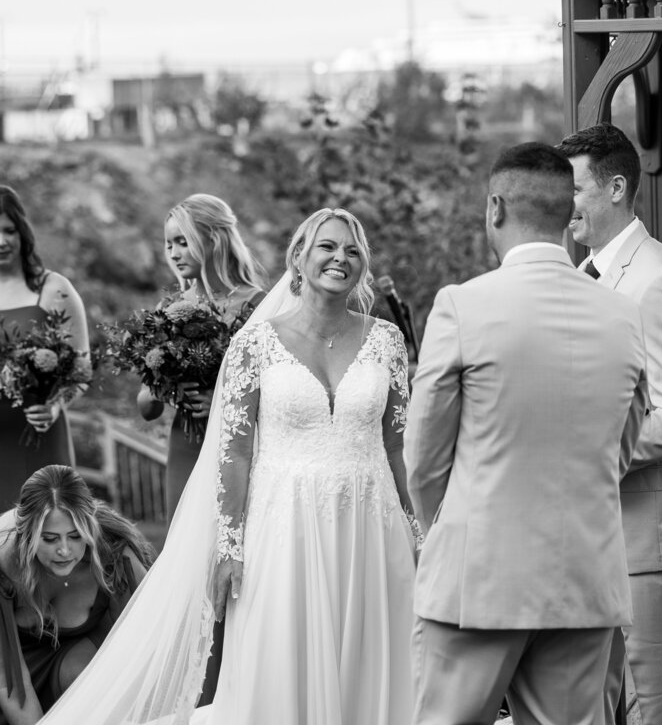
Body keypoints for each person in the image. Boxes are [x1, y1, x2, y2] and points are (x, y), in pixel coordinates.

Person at [30, 207, 418, 725]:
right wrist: (230, 546)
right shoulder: (255, 344)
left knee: (373, 652)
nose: (340, 258)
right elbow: (234, 452)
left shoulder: (387, 340)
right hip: (284, 524)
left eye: (352, 250)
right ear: (298, 258)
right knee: (284, 654)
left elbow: (398, 446)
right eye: (326, 246)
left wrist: (417, 529)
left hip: (373, 523)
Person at [405, 142, 649, 725]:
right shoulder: (623, 314)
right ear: (569, 215)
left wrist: (446, 530)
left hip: (478, 581)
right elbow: (622, 448)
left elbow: (423, 458)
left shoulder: (462, 306)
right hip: (585, 580)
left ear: (495, 208)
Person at [557, 123, 662, 725]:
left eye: (573, 188)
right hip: (595, 539)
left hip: (658, 535)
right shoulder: (581, 279)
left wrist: (581, 455)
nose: (562, 204)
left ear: (615, 188)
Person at [136, 194, 265, 519]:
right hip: (185, 445)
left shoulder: (258, 305)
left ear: (214, 240)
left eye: (183, 241)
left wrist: (222, 402)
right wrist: (163, 384)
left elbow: (281, 390)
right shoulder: (168, 311)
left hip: (241, 447)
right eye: (169, 244)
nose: (174, 253)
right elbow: (145, 407)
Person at [0, 465, 153, 725]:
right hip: (17, 675)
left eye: (74, 536)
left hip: (85, 661)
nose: (64, 550)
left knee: (84, 672)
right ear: (27, 535)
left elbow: (152, 646)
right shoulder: (4, 568)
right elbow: (10, 687)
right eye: (49, 539)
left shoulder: (114, 552)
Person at [0, 189, 90, 512]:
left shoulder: (53, 289)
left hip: (39, 441)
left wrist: (53, 406)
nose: (1, 241)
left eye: (8, 230)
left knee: (50, 540)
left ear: (22, 231)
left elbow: (81, 370)